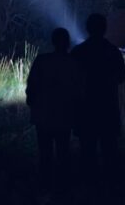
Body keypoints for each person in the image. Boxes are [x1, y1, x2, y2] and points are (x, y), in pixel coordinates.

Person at [71, 13, 125, 187]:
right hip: (108, 109)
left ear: (88, 29)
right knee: (110, 151)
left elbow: (71, 79)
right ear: (104, 28)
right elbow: (122, 77)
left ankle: (90, 188)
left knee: (88, 152)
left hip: (86, 110)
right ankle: (111, 189)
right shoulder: (113, 51)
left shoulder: (78, 52)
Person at [26, 27, 80, 198]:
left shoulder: (42, 61)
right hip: (64, 116)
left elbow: (31, 89)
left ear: (53, 41)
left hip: (43, 115)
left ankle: (45, 186)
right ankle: (63, 189)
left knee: (45, 153)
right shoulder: (73, 63)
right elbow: (80, 91)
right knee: (63, 151)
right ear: (68, 42)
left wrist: (34, 105)